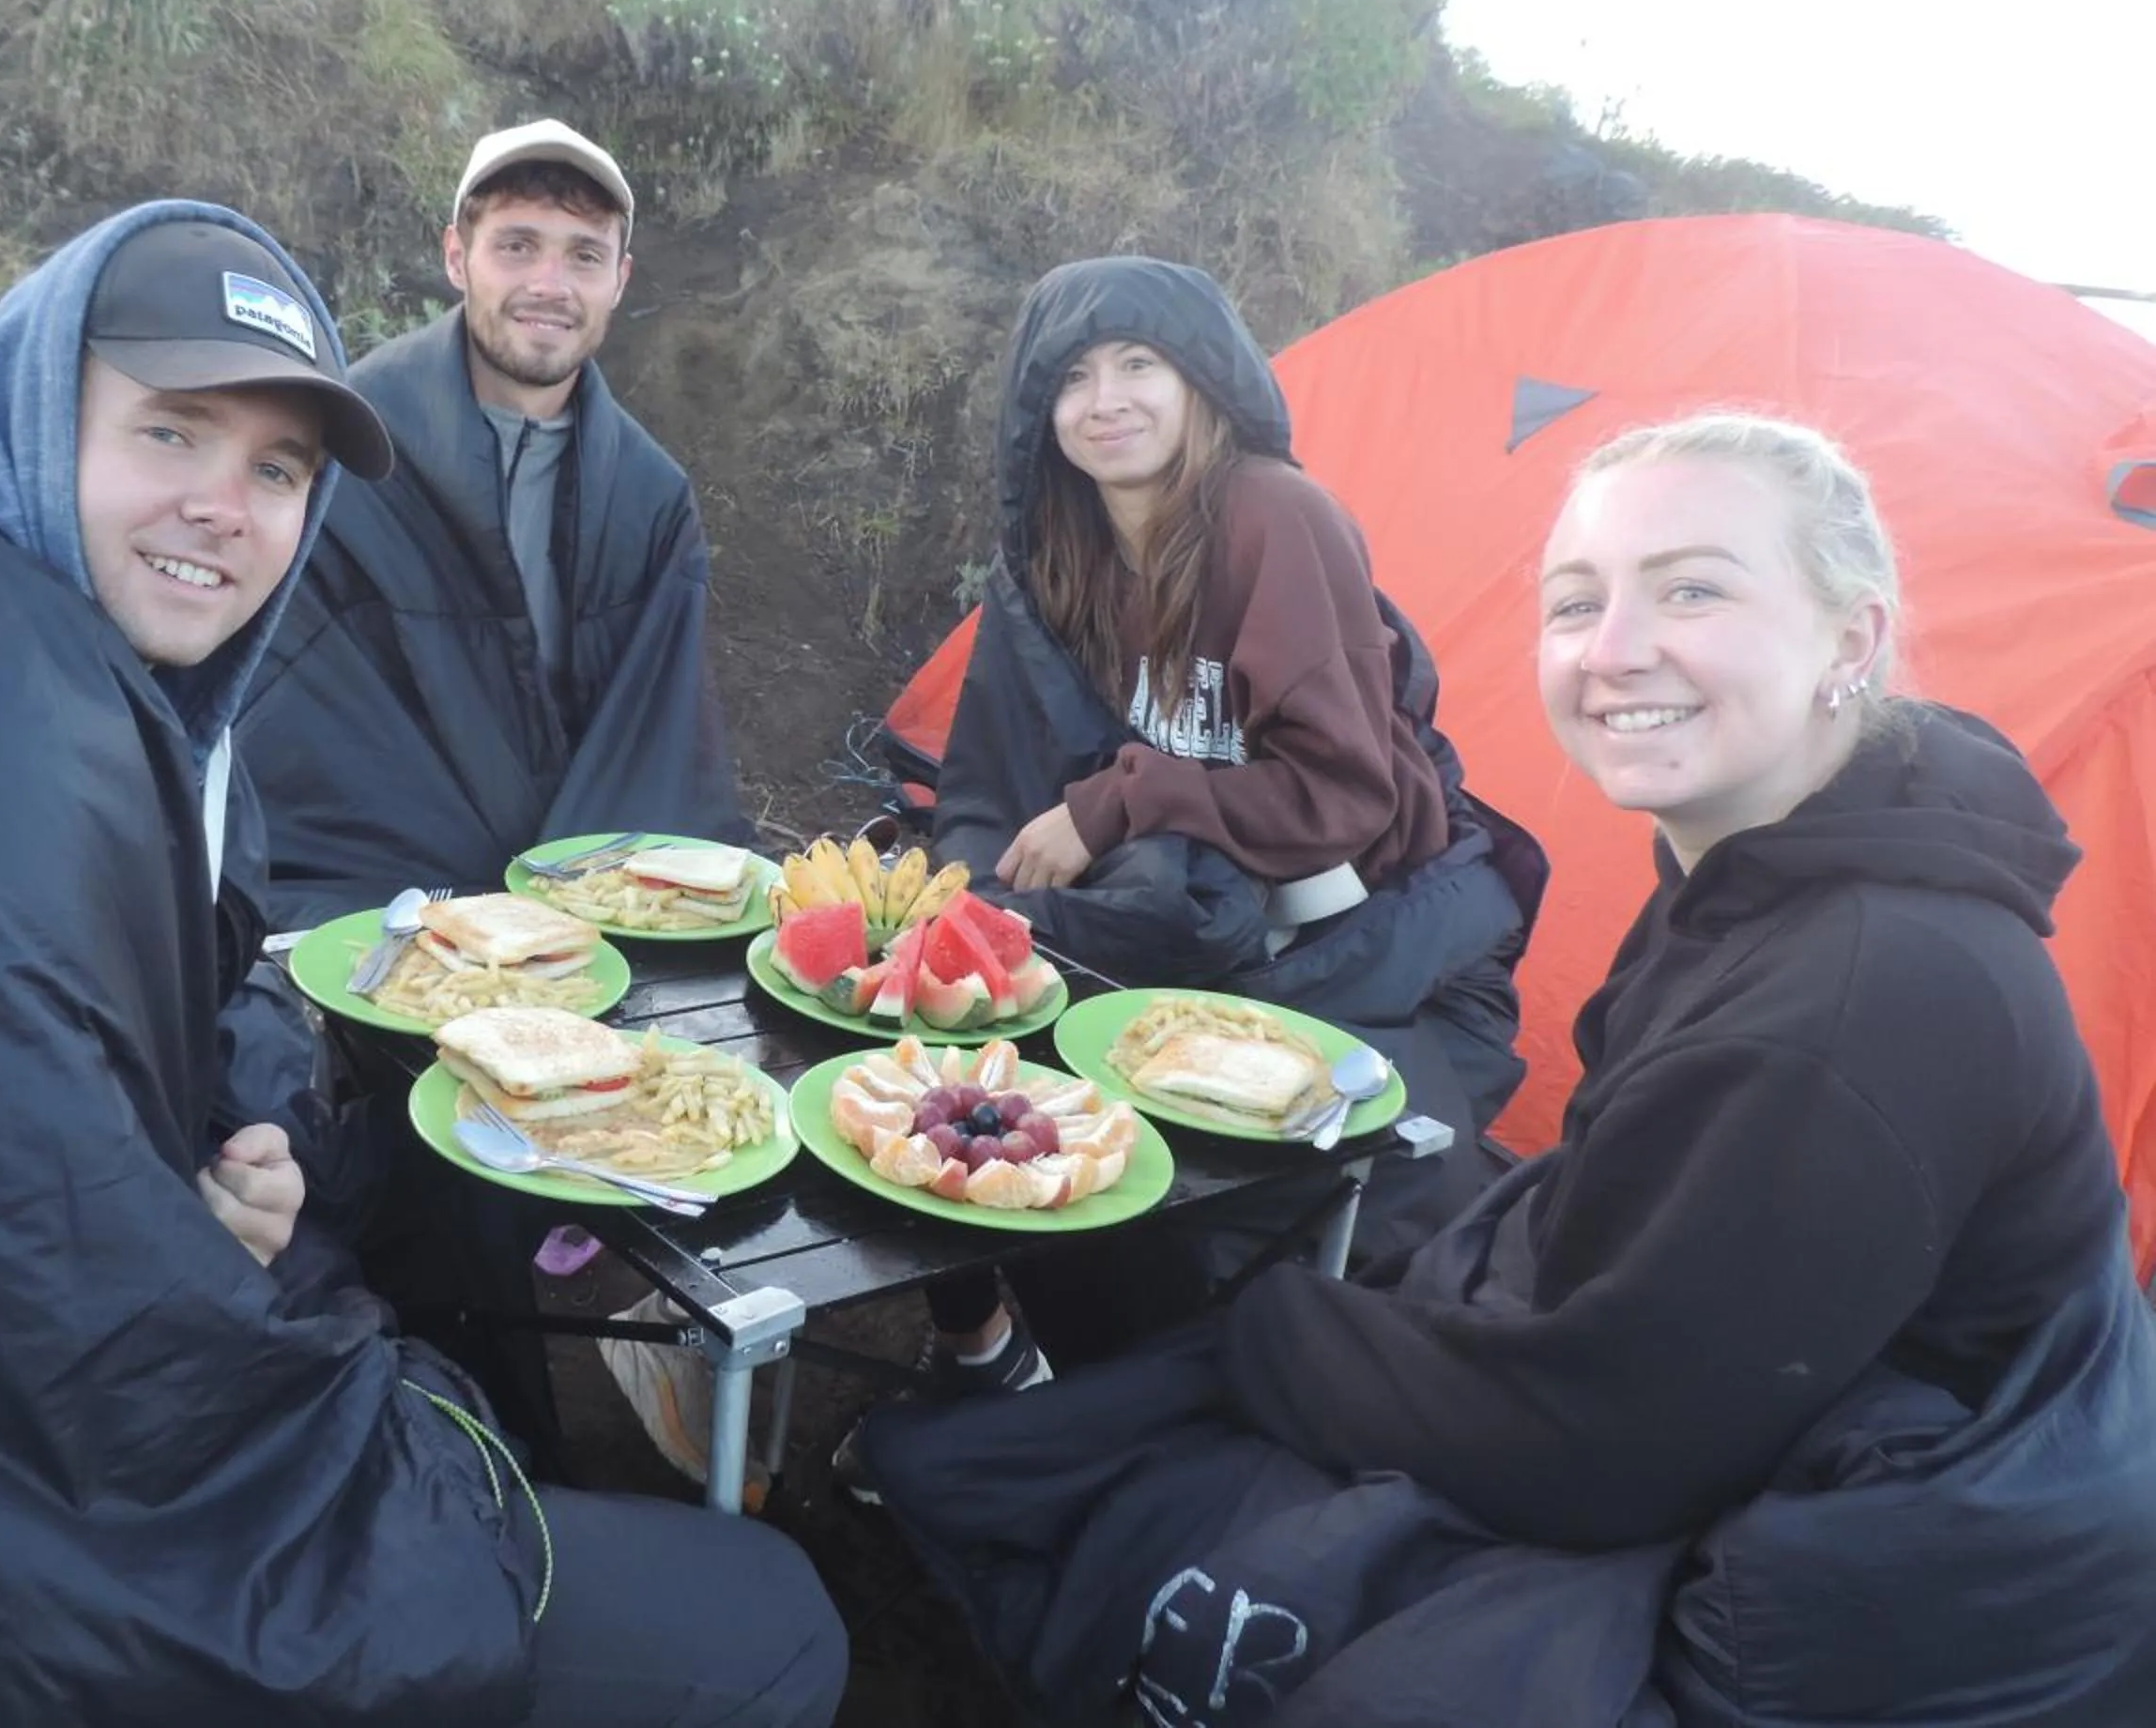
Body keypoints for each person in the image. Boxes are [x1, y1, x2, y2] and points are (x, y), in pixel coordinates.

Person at [0, 203, 847, 1727]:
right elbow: (143, 1402)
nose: (224, 504)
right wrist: (444, 1450)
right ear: (31, 412)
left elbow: (141, 1015)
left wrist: (211, 1129)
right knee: (766, 1622)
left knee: (395, 1214)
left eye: (276, 469)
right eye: (171, 434)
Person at [859, 412, 2156, 1726]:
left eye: (1694, 588)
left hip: (1894, 1591)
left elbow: (1607, 1448)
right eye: (1576, 601)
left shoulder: (1868, 994)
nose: (1616, 650)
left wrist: (1272, 1332)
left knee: (1181, 1473)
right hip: (1773, 1411)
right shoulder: (1775, 865)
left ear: (1851, 639)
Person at [899, 256, 1539, 1395]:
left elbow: (1345, 797)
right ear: (1039, 417)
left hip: (1359, 925)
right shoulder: (1054, 555)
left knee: (1228, 1195)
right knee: (941, 1053)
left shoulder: (1272, 516)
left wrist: (1119, 800)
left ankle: (1171, 1397)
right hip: (1196, 914)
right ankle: (992, 1352)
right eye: (1075, 379)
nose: (1109, 401)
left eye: (1140, 363)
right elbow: (985, 784)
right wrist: (970, 912)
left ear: (1203, 382)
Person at [236, 117, 747, 935]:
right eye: (517, 246)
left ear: (619, 279)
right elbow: (294, 721)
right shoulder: (348, 451)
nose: (550, 283)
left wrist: (553, 896)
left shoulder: (650, 498)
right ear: (455, 257)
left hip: (582, 900)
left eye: (583, 255)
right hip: (376, 897)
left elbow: (659, 739)